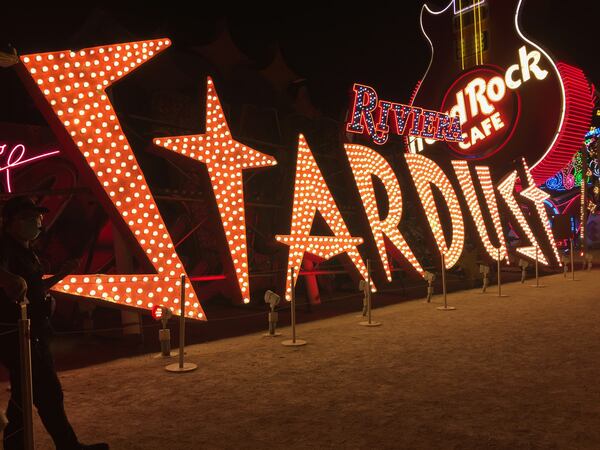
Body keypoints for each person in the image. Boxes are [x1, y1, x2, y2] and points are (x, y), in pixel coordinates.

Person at [0, 196, 109, 450]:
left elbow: (34, 287)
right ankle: (67, 445)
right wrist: (7, 278)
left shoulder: (27, 250)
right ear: (9, 222)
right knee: (47, 391)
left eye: (37, 217)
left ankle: (22, 446)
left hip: (36, 332)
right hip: (18, 334)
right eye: (27, 218)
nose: (36, 222)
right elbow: (14, 282)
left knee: (25, 394)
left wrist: (61, 274)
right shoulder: (4, 247)